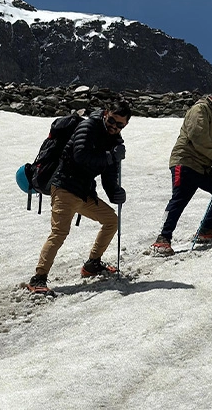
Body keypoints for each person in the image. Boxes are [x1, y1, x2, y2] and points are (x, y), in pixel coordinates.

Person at [26, 100, 132, 295]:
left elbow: (109, 175)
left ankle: (92, 264)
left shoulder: (115, 142)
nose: (114, 127)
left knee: (111, 221)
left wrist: (115, 192)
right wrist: (111, 156)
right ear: (106, 113)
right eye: (112, 121)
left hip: (83, 192)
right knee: (59, 232)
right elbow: (80, 155)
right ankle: (38, 278)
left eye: (120, 125)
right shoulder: (89, 125)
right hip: (65, 187)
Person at [151, 78, 212, 256]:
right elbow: (199, 138)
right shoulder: (200, 109)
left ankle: (206, 229)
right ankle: (163, 238)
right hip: (186, 162)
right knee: (180, 199)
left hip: (204, 166)